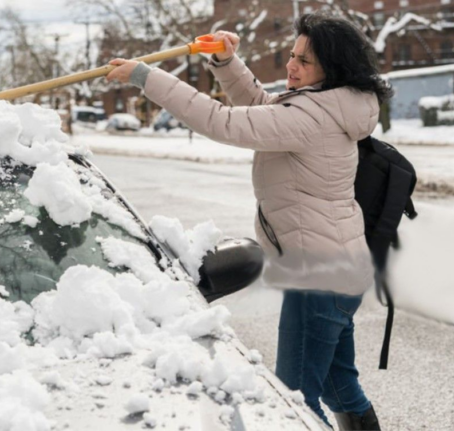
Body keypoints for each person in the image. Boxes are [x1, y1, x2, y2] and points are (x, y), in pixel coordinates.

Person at [107, 11, 391, 431]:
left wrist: (147, 77)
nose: (292, 66)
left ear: (333, 68)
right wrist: (227, 63)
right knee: (338, 387)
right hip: (340, 271)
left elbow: (221, 122)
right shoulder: (330, 105)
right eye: (291, 56)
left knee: (294, 400)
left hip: (318, 278)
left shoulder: (310, 116)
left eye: (304, 61)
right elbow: (261, 107)